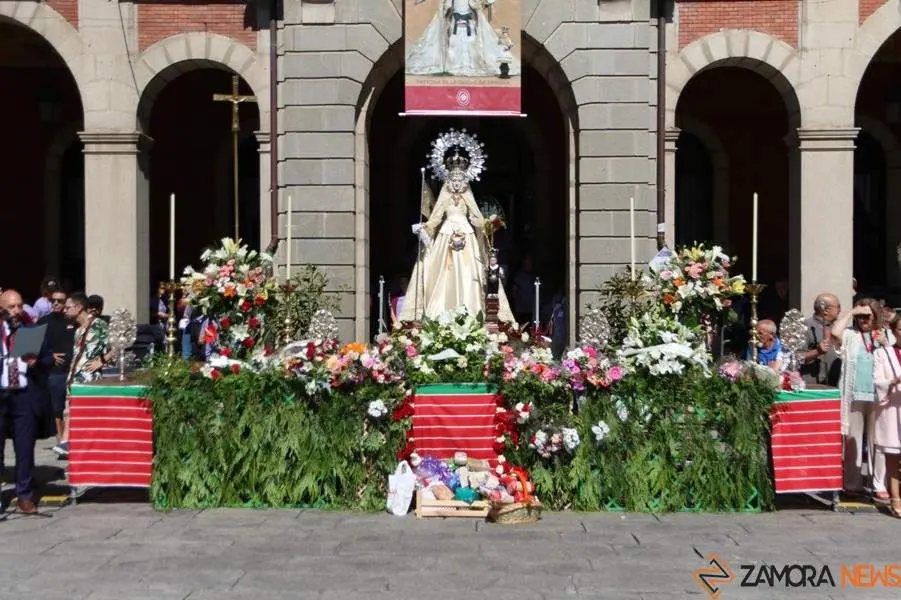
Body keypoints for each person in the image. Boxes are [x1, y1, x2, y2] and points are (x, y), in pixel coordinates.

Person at [397, 150, 515, 323]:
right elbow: (435, 217)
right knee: (441, 273)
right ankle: (439, 311)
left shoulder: (468, 197)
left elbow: (476, 217)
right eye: (454, 179)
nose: (457, 183)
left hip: (466, 235)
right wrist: (425, 227)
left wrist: (488, 224)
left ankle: (472, 311)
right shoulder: (444, 197)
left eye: (460, 180)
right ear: (448, 180)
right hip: (446, 235)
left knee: (471, 273)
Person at [832, 298, 893, 501]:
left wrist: (884, 341)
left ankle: (878, 483)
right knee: (852, 440)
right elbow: (834, 333)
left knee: (879, 442)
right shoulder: (850, 335)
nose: (862, 320)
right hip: (855, 394)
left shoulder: (885, 335)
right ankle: (852, 482)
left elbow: (894, 355)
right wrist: (850, 312)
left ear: (875, 316)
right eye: (859, 317)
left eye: (866, 316)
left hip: (880, 396)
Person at [0, 289, 53, 514]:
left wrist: (37, 360)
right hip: (1, 395)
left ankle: (25, 495)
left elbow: (50, 358)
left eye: (20, 306)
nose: (17, 311)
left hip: (24, 396)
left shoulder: (31, 330)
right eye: (12, 307)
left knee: (24, 449)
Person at [53, 292, 110, 459]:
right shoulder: (78, 331)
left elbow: (119, 343)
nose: (64, 310)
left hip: (89, 381)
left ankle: (68, 444)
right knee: (71, 412)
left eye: (68, 307)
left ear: (78, 308)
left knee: (81, 416)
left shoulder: (99, 325)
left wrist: (102, 361)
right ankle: (69, 446)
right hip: (74, 379)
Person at [405, 0, 521, 78]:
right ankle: (455, 65)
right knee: (455, 44)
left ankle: (471, 65)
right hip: (456, 21)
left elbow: (477, 4)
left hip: (469, 22)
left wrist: (482, 4)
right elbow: (448, 5)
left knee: (471, 44)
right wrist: (446, 8)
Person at [37, 288, 75, 445]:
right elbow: (33, 346)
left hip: (73, 368)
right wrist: (50, 356)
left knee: (73, 404)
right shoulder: (43, 321)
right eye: (54, 301)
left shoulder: (73, 320)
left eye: (60, 300)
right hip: (55, 371)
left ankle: (72, 437)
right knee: (57, 407)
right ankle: (61, 440)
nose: (57, 303)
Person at [872, 313, 901, 518]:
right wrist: (894, 380)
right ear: (893, 331)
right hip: (893, 407)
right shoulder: (883, 353)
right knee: (893, 454)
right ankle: (896, 498)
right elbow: (877, 381)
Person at [800, 293, 841, 386]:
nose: (840, 311)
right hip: (814, 386)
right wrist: (817, 352)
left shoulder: (835, 328)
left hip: (835, 384)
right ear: (826, 310)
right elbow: (796, 357)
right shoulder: (805, 327)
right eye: (838, 307)